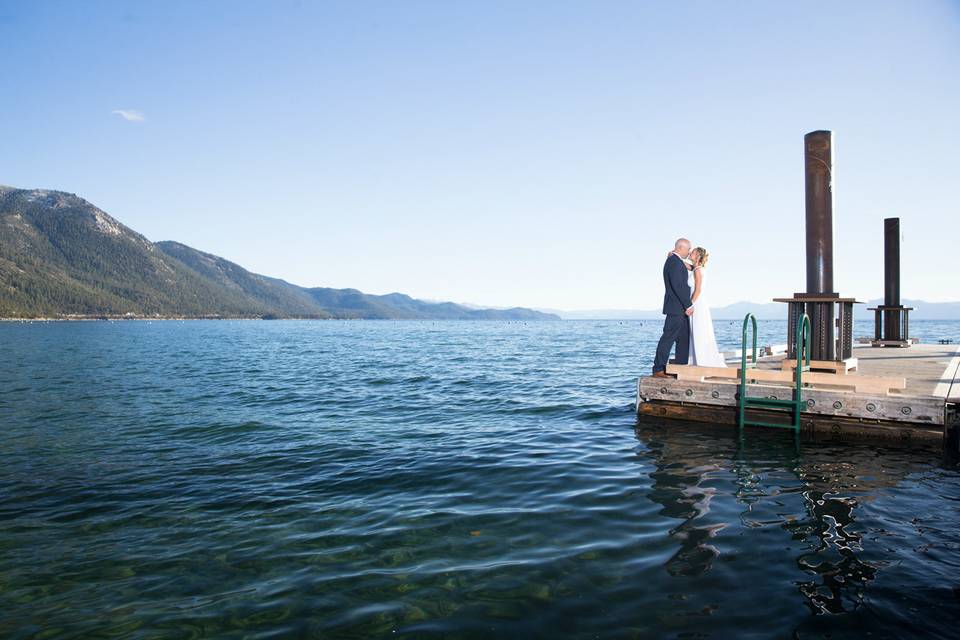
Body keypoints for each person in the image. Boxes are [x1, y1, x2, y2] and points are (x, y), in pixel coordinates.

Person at [653, 238, 694, 378]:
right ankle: (658, 369)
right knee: (668, 338)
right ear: (681, 248)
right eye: (688, 250)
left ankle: (681, 368)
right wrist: (688, 304)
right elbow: (678, 286)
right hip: (676, 308)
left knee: (683, 339)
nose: (689, 253)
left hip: (679, 308)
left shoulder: (675, 261)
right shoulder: (674, 262)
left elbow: (692, 268)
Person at [687, 247, 726, 367]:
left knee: (699, 331)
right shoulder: (697, 269)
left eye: (693, 252)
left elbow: (698, 290)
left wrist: (689, 305)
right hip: (698, 303)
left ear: (698, 256)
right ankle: (698, 359)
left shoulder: (698, 270)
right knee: (697, 331)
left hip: (697, 303)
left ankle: (703, 361)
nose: (690, 253)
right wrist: (674, 256)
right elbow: (688, 266)